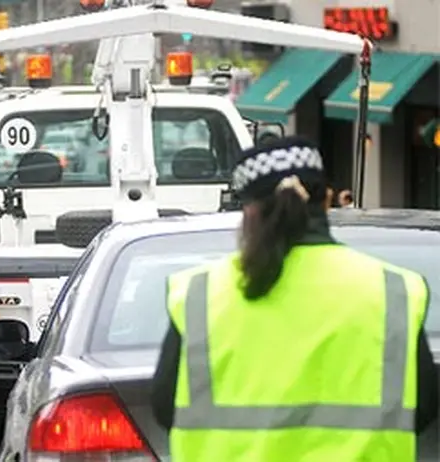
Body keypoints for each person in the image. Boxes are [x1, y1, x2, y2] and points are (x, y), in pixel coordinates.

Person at [151, 137, 438, 461]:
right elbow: (424, 406)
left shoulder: (199, 293)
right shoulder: (394, 289)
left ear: (248, 210)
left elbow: (164, 406)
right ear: (328, 199)